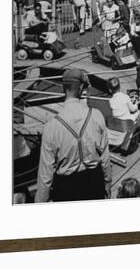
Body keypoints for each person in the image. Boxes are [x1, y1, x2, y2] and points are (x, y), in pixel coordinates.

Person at [35, 69, 112, 202]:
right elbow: (105, 159)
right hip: (94, 184)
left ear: (63, 89)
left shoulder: (51, 127)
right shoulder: (96, 116)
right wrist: (108, 186)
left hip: (66, 190)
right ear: (81, 88)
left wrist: (40, 202)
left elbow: (45, 177)